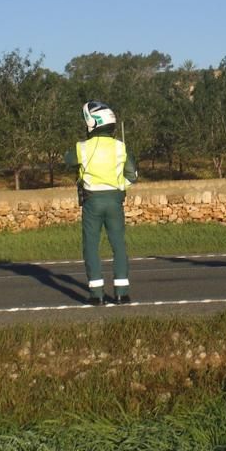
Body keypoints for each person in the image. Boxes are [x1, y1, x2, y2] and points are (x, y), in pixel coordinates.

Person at [64, 100, 138, 306]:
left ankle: (96, 294)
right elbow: (132, 175)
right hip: (115, 200)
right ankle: (122, 293)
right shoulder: (120, 147)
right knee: (118, 245)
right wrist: (118, 186)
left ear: (92, 123)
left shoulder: (83, 148)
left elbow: (67, 159)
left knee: (91, 246)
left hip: (92, 201)